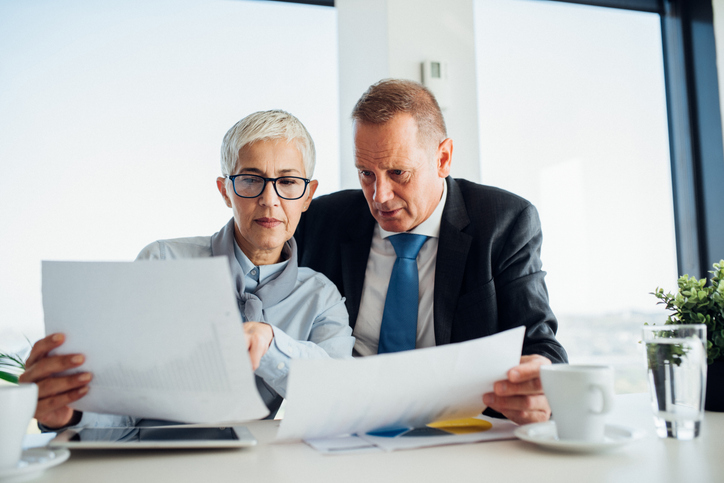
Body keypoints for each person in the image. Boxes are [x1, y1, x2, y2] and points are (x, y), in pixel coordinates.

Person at [20, 110, 355, 429]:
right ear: (226, 191)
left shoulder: (321, 297)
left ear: (308, 195)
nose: (269, 199)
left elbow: (338, 394)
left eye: (288, 181)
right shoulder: (162, 263)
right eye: (251, 180)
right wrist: (70, 414)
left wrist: (271, 346)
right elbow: (121, 407)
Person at [294, 79, 567, 425]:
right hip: (345, 430)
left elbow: (542, 346)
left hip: (463, 439)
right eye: (366, 174)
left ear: (443, 158)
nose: (379, 195)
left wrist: (543, 379)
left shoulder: (504, 222)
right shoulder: (322, 221)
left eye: (398, 173)